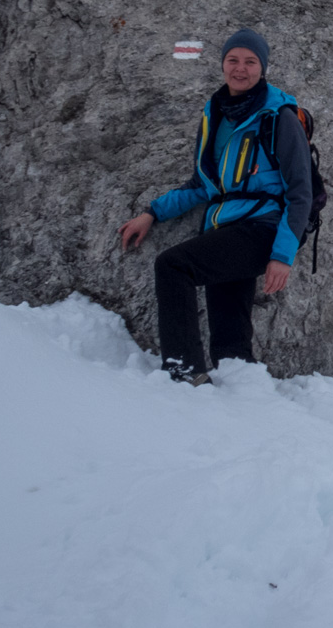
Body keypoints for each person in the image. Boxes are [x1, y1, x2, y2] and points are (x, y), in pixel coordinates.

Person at [118, 28, 313, 384]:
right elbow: (203, 185)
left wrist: (282, 256)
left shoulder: (278, 117)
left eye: (250, 62)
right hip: (224, 229)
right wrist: (152, 212)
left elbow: (301, 192)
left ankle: (184, 371)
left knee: (173, 267)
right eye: (233, 60)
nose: (241, 69)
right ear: (222, 64)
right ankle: (239, 396)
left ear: (263, 68)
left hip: (262, 230)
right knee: (230, 343)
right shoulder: (215, 115)